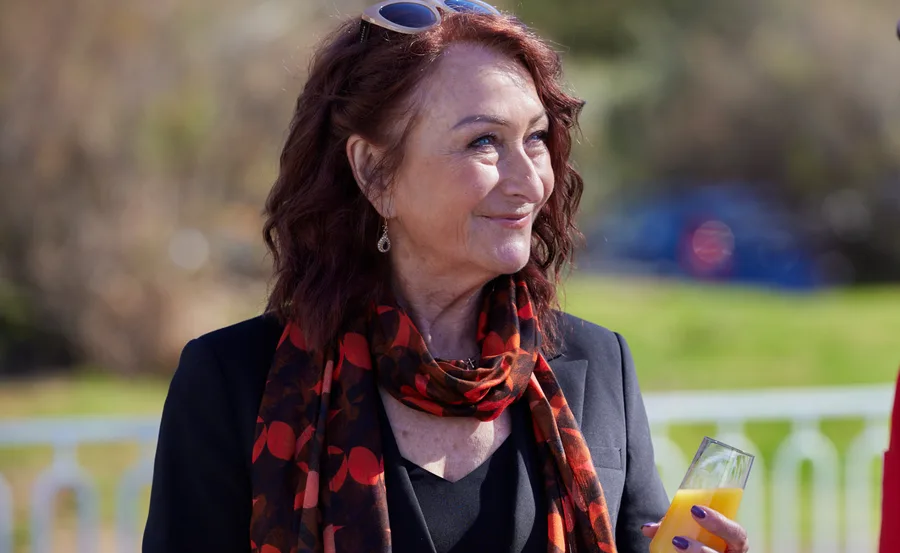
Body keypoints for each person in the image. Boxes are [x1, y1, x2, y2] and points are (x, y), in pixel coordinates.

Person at [142, 2, 751, 552]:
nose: (529, 180)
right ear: (374, 172)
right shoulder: (232, 380)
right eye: (484, 142)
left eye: (535, 138)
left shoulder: (597, 366)